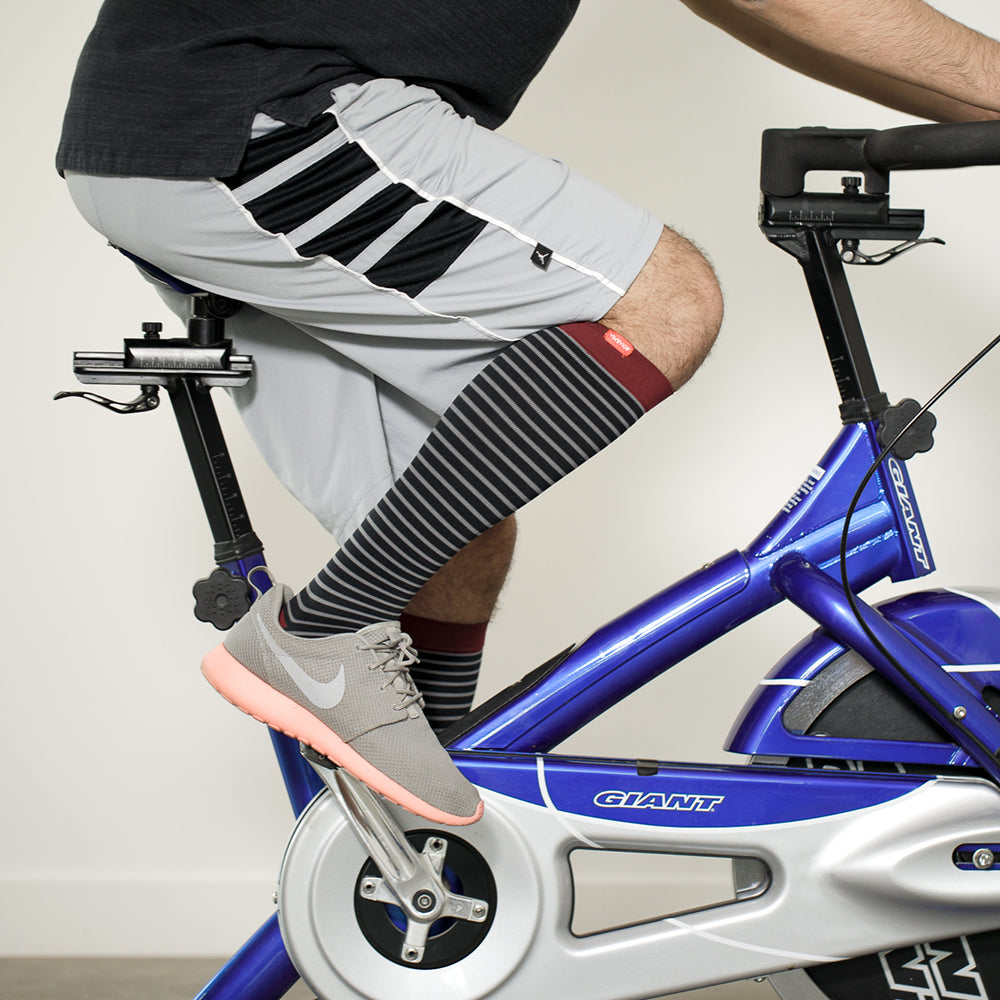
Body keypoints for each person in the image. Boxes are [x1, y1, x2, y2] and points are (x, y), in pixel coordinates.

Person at [57, 0, 1000, 826]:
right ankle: (317, 640)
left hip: (181, 133)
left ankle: (418, 837)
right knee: (663, 301)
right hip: (271, 111)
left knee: (458, 523)